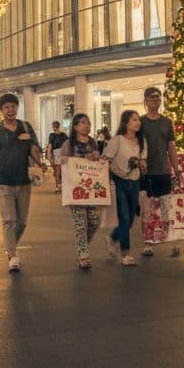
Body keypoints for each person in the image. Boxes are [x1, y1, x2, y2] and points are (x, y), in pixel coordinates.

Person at [0, 93, 43, 272]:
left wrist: (41, 164)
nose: (10, 110)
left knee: (22, 222)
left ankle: (10, 245)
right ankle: (12, 255)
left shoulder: (26, 127)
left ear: (17, 108)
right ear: (1, 110)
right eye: (6, 107)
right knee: (9, 220)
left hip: (24, 180)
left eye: (13, 106)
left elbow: (34, 149)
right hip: (3, 181)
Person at [139, 86, 182, 257]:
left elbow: (171, 146)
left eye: (158, 97)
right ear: (146, 100)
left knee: (166, 208)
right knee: (148, 210)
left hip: (163, 171)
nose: (155, 99)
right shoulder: (140, 122)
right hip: (145, 172)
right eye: (151, 97)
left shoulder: (167, 122)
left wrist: (176, 167)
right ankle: (148, 243)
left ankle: (173, 242)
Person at [103, 109, 147, 267]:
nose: (138, 123)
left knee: (129, 220)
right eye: (134, 120)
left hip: (135, 181)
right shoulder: (117, 140)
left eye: (138, 120)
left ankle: (112, 237)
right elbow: (105, 159)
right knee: (125, 218)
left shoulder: (141, 140)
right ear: (126, 122)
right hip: (119, 182)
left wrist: (141, 164)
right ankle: (126, 254)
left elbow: (144, 161)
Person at [61, 113, 104, 269]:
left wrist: (96, 157)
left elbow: (98, 162)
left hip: (91, 188)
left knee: (94, 221)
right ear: (75, 126)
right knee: (80, 223)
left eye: (89, 123)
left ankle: (82, 245)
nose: (87, 125)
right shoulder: (68, 143)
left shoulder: (93, 143)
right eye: (83, 123)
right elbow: (63, 161)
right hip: (75, 189)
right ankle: (83, 255)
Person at [47, 121, 68, 193]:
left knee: (58, 170)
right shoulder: (63, 135)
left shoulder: (53, 135)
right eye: (54, 126)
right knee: (59, 170)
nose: (54, 128)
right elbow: (68, 144)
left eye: (54, 126)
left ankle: (58, 186)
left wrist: (49, 154)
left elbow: (50, 146)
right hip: (60, 153)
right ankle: (59, 186)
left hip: (59, 152)